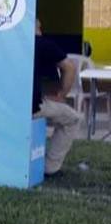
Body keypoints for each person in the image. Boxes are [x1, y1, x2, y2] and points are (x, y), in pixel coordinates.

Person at [34, 19, 81, 177]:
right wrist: (61, 94)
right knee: (73, 119)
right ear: (38, 28)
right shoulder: (42, 43)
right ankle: (50, 167)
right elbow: (69, 68)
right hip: (31, 108)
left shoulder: (4, 43)